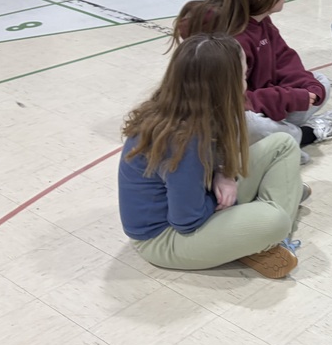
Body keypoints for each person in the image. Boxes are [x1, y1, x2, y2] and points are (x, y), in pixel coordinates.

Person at [118, 34, 306, 278]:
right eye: (242, 73)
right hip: (165, 239)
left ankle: (254, 236)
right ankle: (265, 234)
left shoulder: (191, 108)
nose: (246, 79)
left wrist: (223, 173)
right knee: (275, 220)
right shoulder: (182, 139)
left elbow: (217, 156)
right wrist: (227, 201)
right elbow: (186, 220)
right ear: (223, 83)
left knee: (283, 143)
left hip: (199, 200)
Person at [175, 0, 332, 165]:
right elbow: (234, 102)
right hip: (230, 116)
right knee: (251, 124)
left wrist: (307, 89)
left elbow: (284, 59)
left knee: (320, 81)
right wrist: (289, 97)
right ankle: (305, 135)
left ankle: (281, 140)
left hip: (262, 103)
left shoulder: (260, 21)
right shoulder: (228, 40)